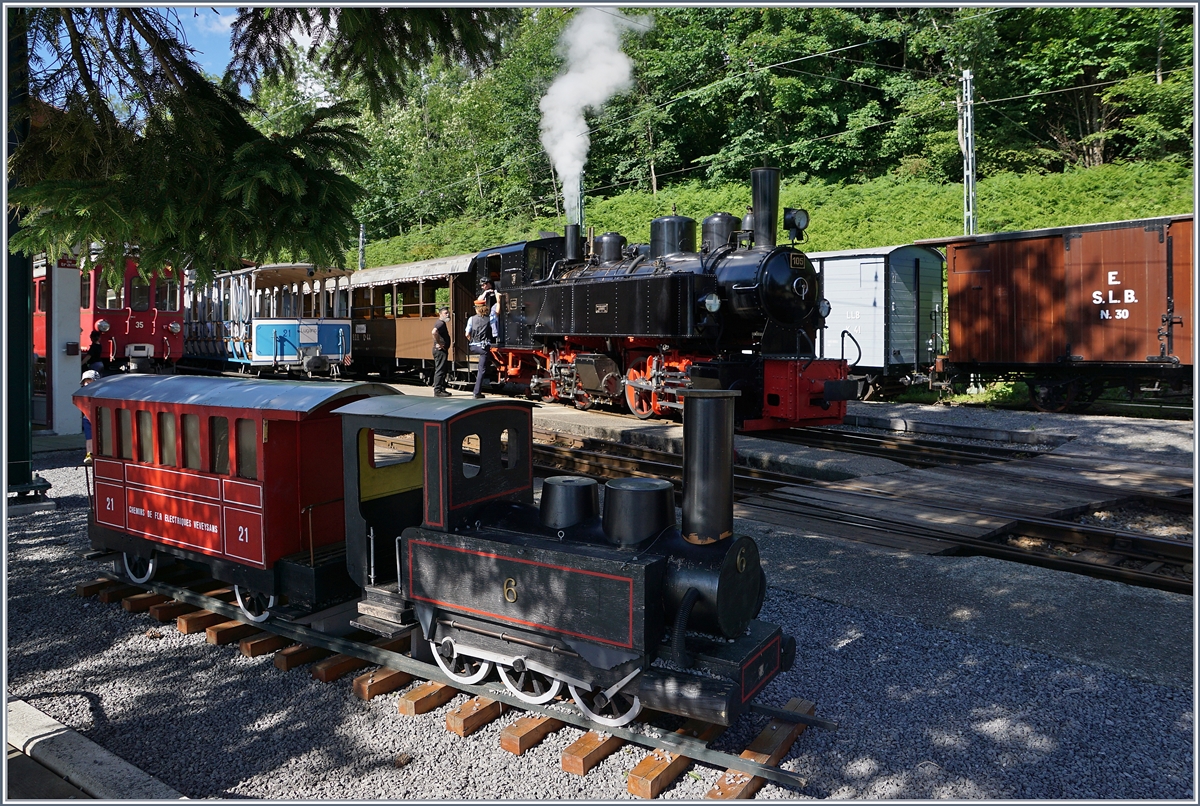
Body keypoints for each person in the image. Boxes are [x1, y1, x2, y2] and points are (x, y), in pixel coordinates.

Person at [465, 298, 496, 398]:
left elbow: (467, 334)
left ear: (477, 309)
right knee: (481, 369)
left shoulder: (471, 319)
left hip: (473, 347)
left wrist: (472, 341)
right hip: (483, 347)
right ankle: (476, 392)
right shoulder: (490, 318)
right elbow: (495, 330)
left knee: (486, 357)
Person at [431, 306, 452, 397]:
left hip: (442, 351)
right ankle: (438, 391)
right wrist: (439, 343)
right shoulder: (440, 323)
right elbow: (434, 332)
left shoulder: (442, 323)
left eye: (448, 313)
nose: (448, 315)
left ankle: (442, 389)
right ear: (440, 314)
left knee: (443, 370)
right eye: (445, 313)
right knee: (440, 370)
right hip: (440, 351)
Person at [80, 370, 99, 465]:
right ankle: (89, 454)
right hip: (87, 417)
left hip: (98, 416)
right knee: (89, 437)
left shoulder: (100, 392)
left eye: (90, 381)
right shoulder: (83, 393)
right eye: (86, 381)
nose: (87, 383)